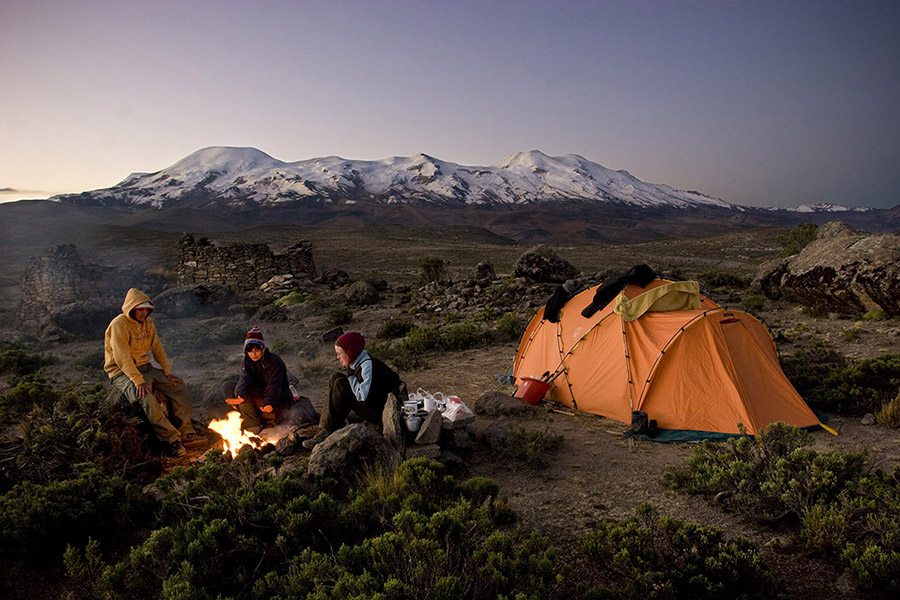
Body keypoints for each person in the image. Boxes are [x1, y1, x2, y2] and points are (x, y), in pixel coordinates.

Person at [104, 288, 197, 457]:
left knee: (179, 388)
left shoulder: (148, 322)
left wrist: (167, 372)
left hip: (146, 367)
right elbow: (121, 357)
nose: (144, 312)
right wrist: (137, 380)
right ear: (131, 308)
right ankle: (171, 440)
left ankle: (186, 431)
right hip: (122, 372)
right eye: (141, 309)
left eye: (147, 309)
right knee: (146, 398)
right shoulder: (119, 325)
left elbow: (157, 348)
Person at [302, 331, 402, 449]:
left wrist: (350, 382)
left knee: (341, 385)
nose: (338, 357)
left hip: (380, 413)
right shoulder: (357, 361)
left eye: (340, 354)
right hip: (372, 404)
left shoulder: (367, 366)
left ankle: (328, 429)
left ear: (350, 352)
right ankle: (328, 425)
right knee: (336, 377)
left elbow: (364, 397)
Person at [222, 326, 294, 433]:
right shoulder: (247, 361)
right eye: (250, 351)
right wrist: (240, 394)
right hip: (258, 393)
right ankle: (252, 423)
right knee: (229, 387)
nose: (254, 354)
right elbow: (245, 378)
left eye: (257, 350)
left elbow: (274, 385)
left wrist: (270, 402)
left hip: (277, 398)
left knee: (250, 393)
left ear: (262, 349)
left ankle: (270, 419)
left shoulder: (274, 361)